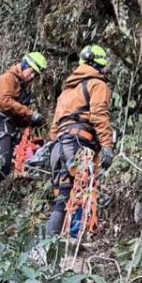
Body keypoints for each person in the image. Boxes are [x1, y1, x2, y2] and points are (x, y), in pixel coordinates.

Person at [45, 45, 115, 236]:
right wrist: (107, 146)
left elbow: (54, 127)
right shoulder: (97, 85)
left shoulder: (66, 92)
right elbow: (99, 115)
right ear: (100, 64)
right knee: (85, 191)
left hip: (59, 148)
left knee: (62, 200)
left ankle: (48, 249)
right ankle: (76, 240)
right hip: (79, 144)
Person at [0, 52, 48, 203]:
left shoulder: (21, 85)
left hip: (8, 125)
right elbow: (5, 102)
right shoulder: (7, 78)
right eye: (32, 72)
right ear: (24, 66)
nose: (32, 77)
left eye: (35, 75)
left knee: (5, 167)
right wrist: (30, 114)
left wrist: (29, 121)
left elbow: (15, 113)